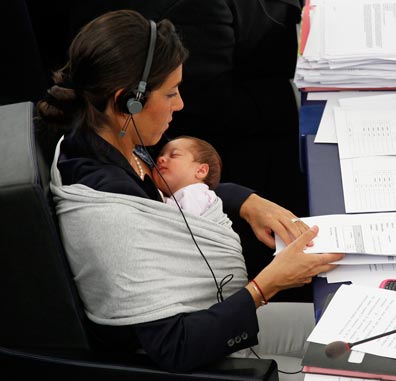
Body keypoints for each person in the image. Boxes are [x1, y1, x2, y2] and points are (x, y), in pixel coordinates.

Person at [36, 10, 344, 377]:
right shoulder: (110, 212)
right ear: (127, 101)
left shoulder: (109, 139)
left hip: (210, 317)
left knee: (361, 331)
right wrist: (271, 283)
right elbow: (175, 347)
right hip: (197, 360)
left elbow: (173, 197)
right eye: (170, 93)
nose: (180, 104)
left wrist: (247, 202)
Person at [152, 136, 223, 216]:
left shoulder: (197, 193)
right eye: (159, 156)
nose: (160, 159)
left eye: (174, 155)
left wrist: (162, 200)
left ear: (201, 171)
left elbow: (187, 219)